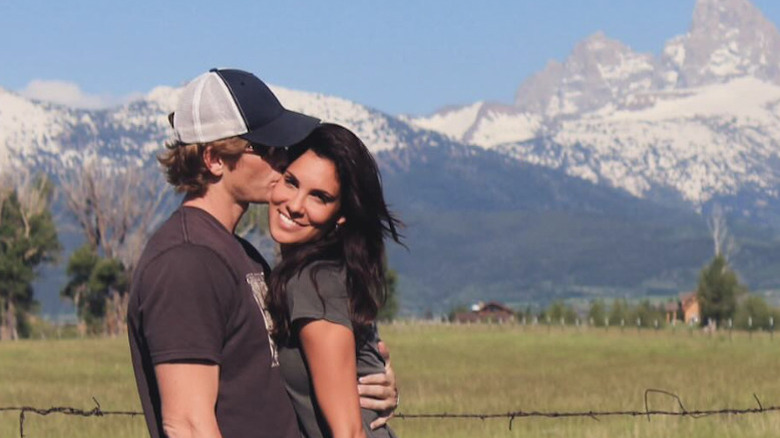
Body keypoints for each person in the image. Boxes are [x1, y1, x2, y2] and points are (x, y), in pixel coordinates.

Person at [127, 69, 397, 438]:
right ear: (214, 159)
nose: (283, 160)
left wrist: (366, 382)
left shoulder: (243, 255)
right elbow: (188, 424)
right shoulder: (186, 261)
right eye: (268, 149)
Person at [266, 123, 403, 438]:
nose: (295, 205)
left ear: (341, 214)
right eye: (291, 182)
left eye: (319, 197)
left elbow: (349, 433)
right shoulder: (314, 273)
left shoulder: (313, 281)